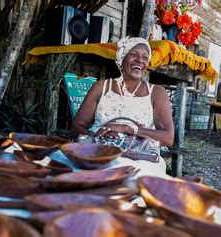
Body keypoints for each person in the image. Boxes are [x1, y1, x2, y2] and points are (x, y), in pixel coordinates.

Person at [70, 36, 174, 177]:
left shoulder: (156, 93)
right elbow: (77, 126)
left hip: (139, 158)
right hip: (99, 153)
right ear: (121, 58)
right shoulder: (101, 87)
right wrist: (100, 140)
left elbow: (168, 138)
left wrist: (128, 129)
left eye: (145, 57)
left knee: (130, 180)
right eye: (134, 55)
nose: (140, 60)